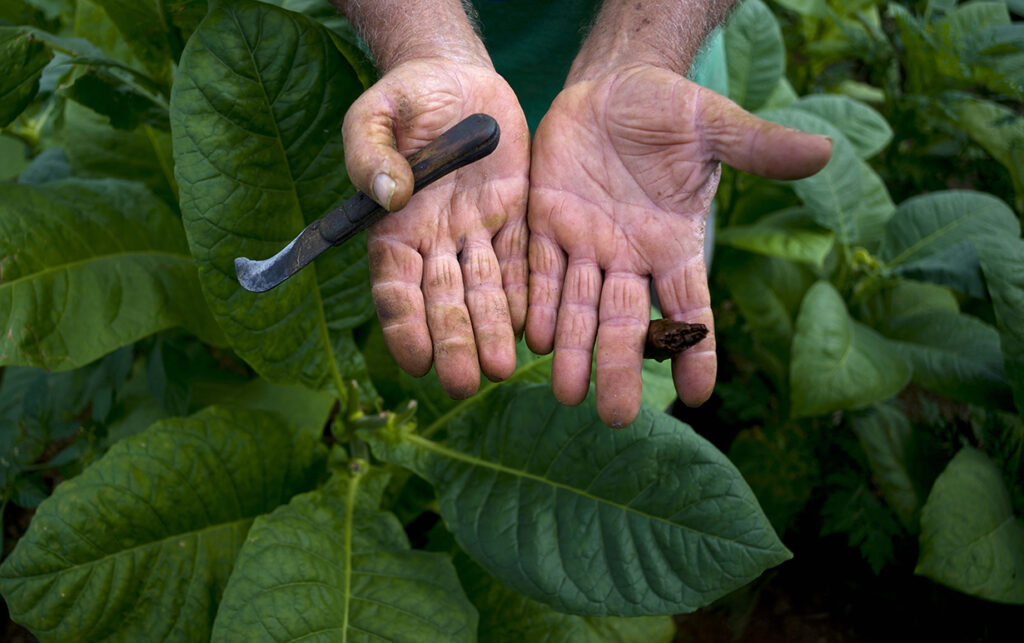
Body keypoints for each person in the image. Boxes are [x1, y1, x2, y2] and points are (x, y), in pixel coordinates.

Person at [329, 0, 832, 427]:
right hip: (413, 104)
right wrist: (420, 41)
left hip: (644, 154)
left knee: (616, 339)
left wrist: (641, 53)